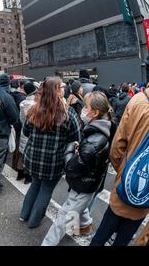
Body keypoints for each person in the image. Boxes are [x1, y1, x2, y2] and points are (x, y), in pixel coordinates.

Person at [42, 91, 113, 246]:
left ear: (95, 113)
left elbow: (71, 167)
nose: (83, 110)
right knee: (80, 206)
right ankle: (84, 226)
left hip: (83, 185)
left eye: (86, 107)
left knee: (62, 218)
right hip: (89, 183)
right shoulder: (100, 130)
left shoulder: (93, 141)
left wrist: (70, 148)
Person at [90, 87, 149, 246]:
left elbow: (117, 147)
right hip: (145, 195)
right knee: (124, 238)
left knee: (103, 233)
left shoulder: (138, 101)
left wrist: (123, 171)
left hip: (124, 183)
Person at [20, 77, 82, 228]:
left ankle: (24, 215)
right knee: (46, 190)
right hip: (53, 162)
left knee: (35, 185)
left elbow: (26, 132)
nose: (64, 89)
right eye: (61, 87)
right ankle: (34, 221)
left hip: (33, 159)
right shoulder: (68, 113)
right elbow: (76, 139)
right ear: (56, 91)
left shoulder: (34, 110)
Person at [17, 82, 37, 184]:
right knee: (30, 154)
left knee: (22, 153)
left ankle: (19, 173)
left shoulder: (23, 103)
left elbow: (21, 118)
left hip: (23, 130)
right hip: (32, 132)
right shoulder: (36, 105)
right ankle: (28, 176)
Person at [10, 79, 27, 174]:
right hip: (19, 124)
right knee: (19, 146)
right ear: (22, 86)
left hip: (13, 123)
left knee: (15, 144)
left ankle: (14, 165)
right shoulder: (23, 98)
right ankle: (17, 166)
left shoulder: (12, 95)